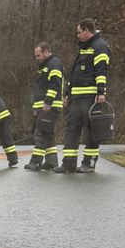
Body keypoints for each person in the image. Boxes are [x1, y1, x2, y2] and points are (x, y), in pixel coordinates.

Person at [56, 18, 110, 174]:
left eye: (79, 32)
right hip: (76, 99)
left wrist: (101, 92)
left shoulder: (100, 47)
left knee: (91, 132)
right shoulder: (83, 47)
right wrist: (68, 93)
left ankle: (89, 163)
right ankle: (68, 164)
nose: (78, 35)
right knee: (71, 130)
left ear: (87, 30)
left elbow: (101, 71)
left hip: (90, 97)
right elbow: (75, 73)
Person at [25, 41, 64, 172]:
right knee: (48, 134)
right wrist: (36, 107)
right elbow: (40, 89)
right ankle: (51, 162)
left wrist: (48, 102)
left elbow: (55, 84)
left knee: (40, 133)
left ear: (46, 51)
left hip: (50, 106)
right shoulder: (45, 66)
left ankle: (35, 162)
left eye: (38, 55)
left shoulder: (54, 64)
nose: (37, 58)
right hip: (43, 106)